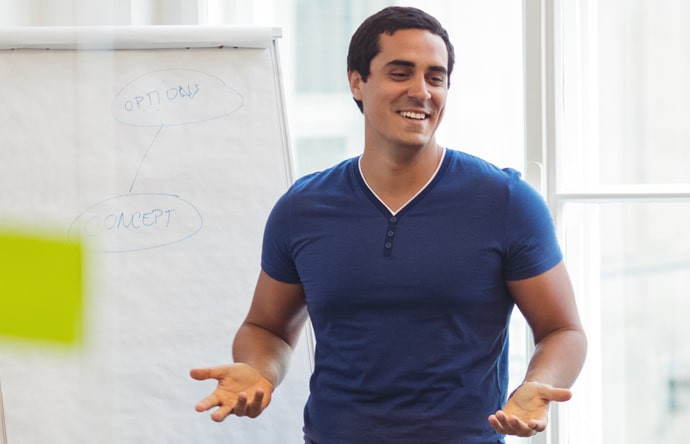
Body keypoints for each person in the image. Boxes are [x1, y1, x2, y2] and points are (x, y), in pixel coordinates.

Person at [190, 6, 587, 443]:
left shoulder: (507, 202)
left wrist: (538, 383)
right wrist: (257, 370)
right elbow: (266, 328)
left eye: (436, 78)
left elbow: (562, 330)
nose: (421, 91)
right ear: (357, 81)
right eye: (401, 73)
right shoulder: (302, 207)